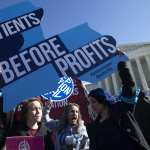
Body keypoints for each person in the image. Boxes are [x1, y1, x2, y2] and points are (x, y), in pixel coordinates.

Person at [87, 61, 150, 150]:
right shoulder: (95, 127)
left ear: (103, 100)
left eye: (94, 102)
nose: (91, 106)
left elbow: (128, 86)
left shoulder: (122, 110)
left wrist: (121, 65)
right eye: (89, 103)